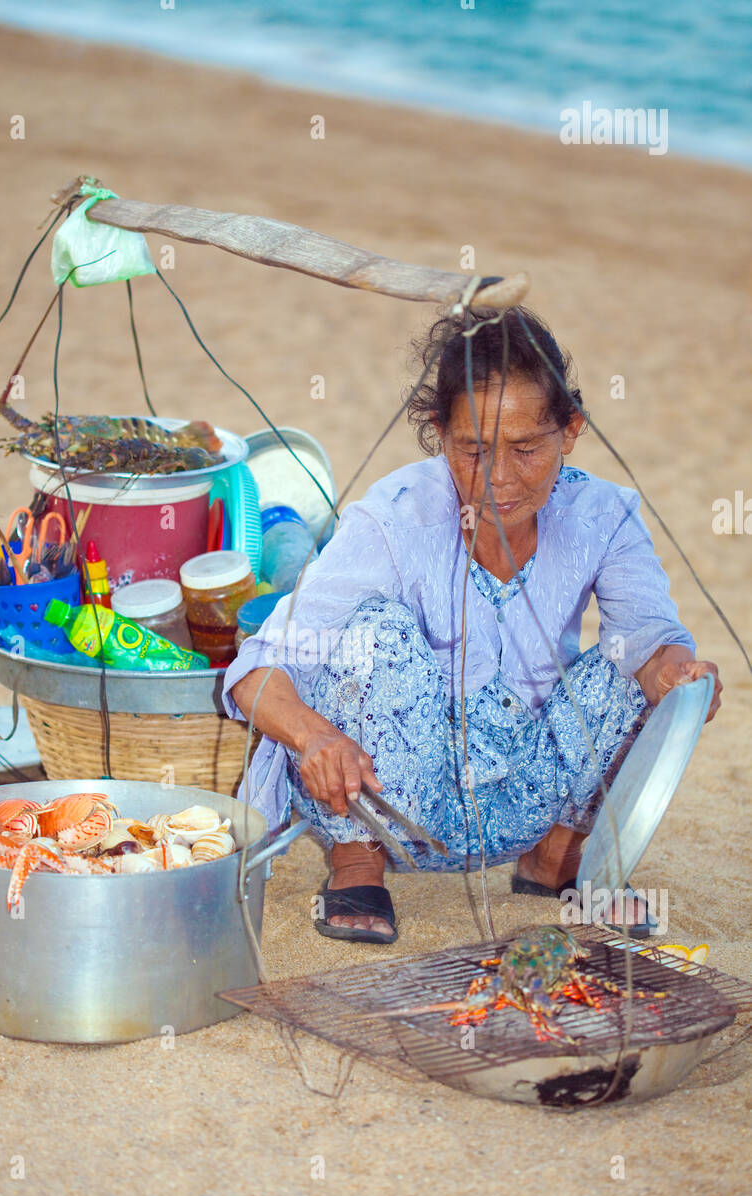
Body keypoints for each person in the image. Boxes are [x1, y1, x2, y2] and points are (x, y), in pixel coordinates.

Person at [224, 308, 722, 944]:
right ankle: (356, 864)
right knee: (373, 629)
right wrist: (315, 737)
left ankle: (554, 861)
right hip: (390, 804)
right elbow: (258, 670)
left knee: (630, 667)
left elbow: (651, 635)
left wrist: (678, 673)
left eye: (526, 449)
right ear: (440, 432)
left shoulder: (605, 515)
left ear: (571, 430)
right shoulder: (393, 517)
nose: (499, 480)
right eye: (473, 450)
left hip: (523, 796)